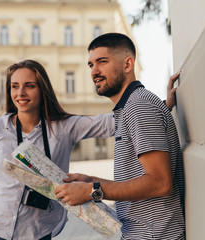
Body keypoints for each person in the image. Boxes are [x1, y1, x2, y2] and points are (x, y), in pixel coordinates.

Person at [0, 59, 115, 240]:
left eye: (29, 86)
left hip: (36, 233)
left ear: (43, 89)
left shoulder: (64, 127)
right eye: (15, 86)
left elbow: (111, 122)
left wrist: (138, 94)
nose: (20, 93)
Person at [55, 33, 185, 240]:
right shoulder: (130, 108)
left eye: (102, 62)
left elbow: (160, 183)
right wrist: (91, 180)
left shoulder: (139, 106)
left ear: (127, 64)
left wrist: (92, 190)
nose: (94, 72)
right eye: (90, 65)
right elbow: (139, 180)